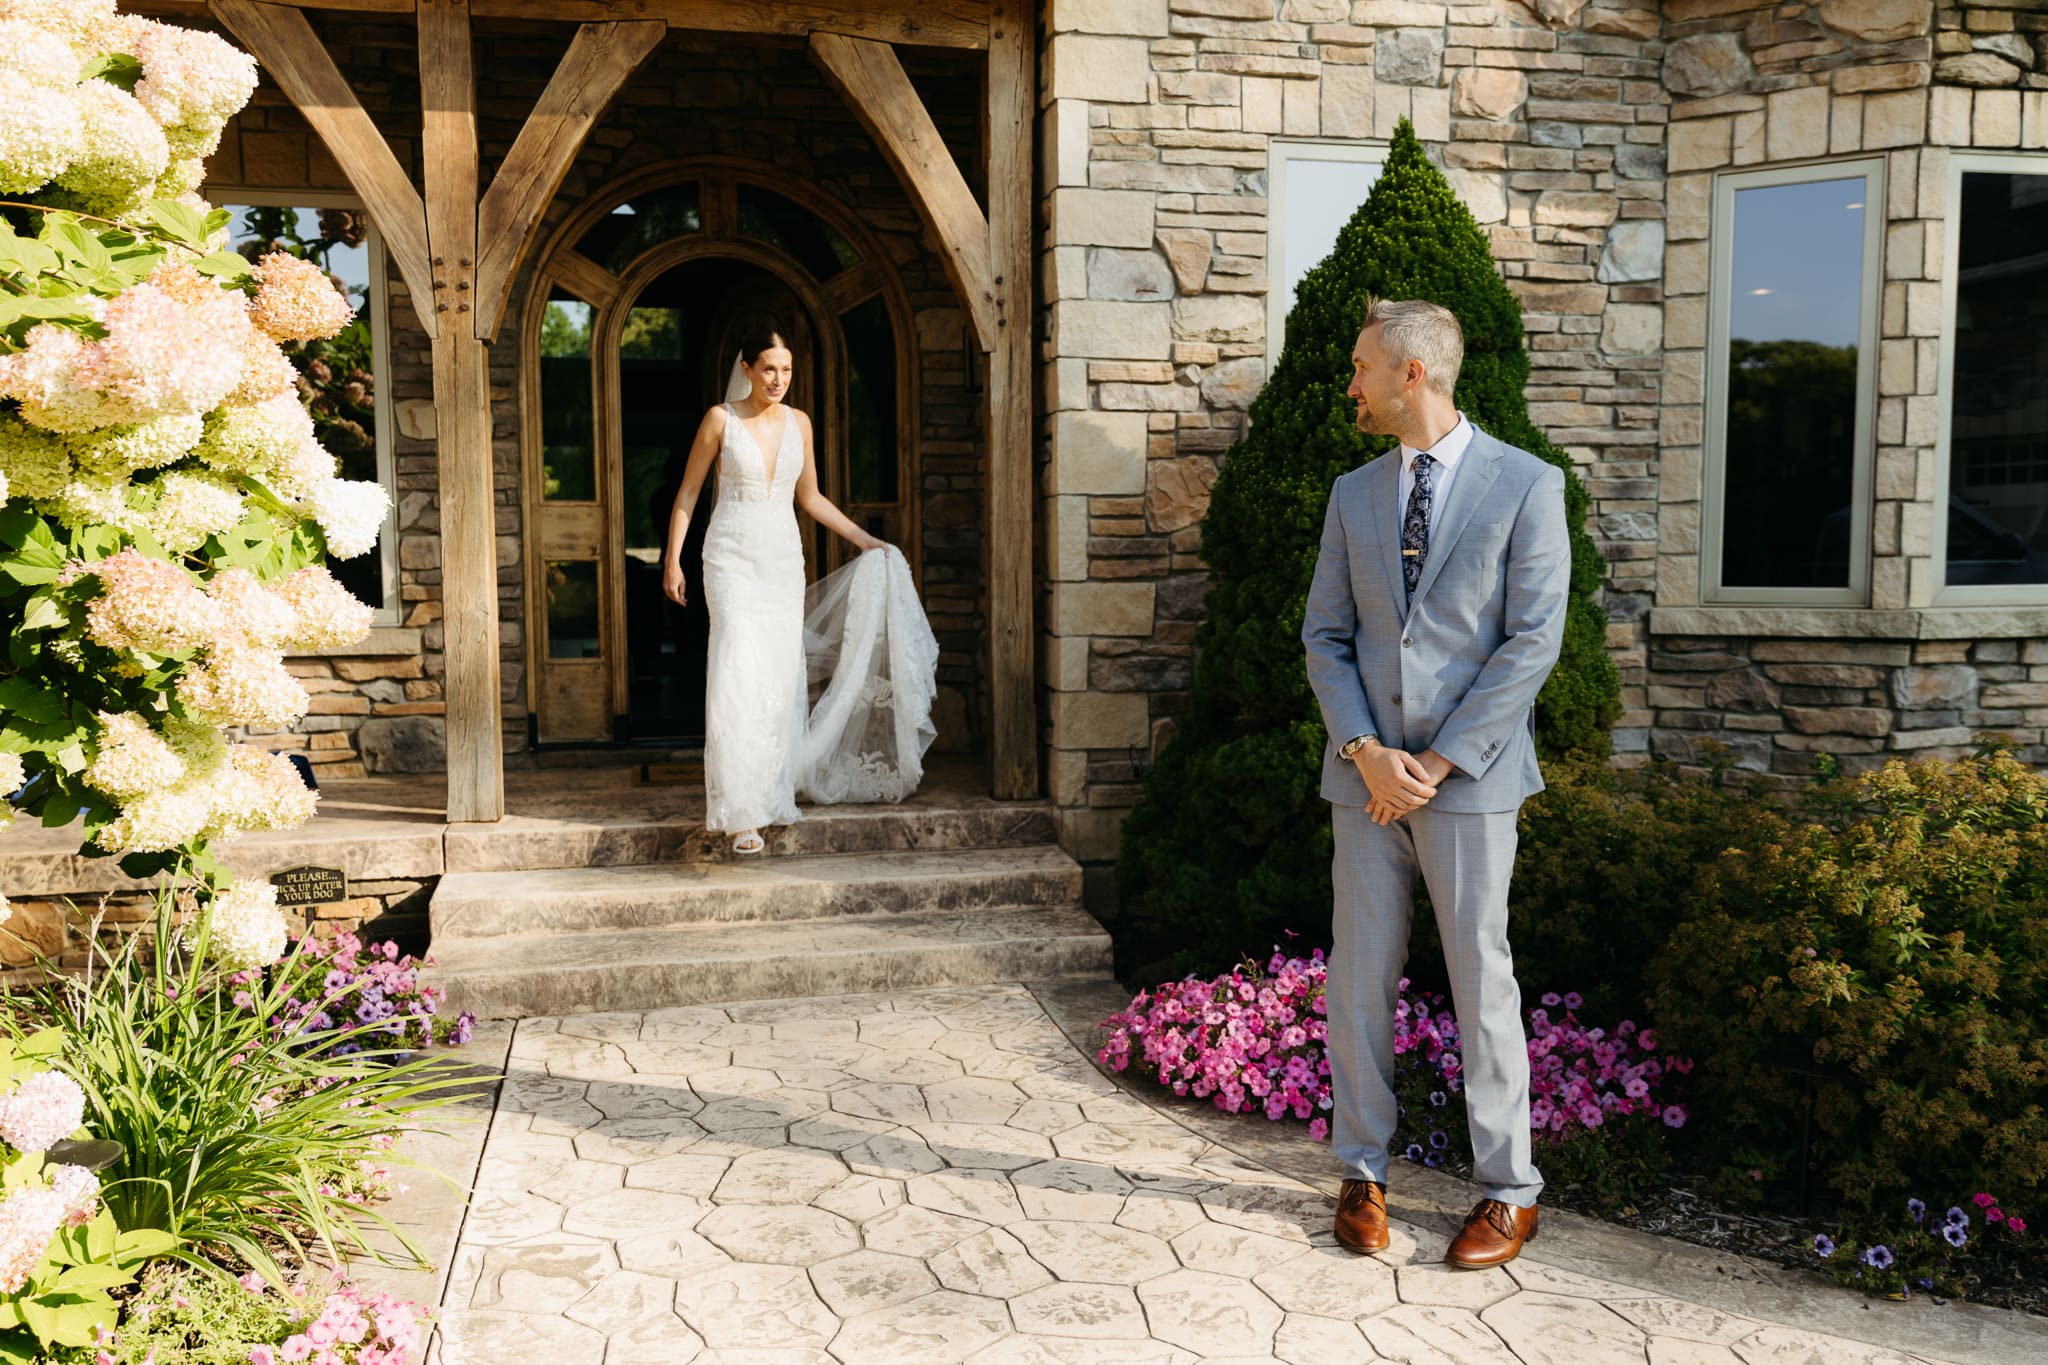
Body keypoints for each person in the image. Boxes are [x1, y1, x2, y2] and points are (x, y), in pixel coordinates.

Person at [1301, 297, 1571, 1270]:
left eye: (1360, 366)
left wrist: (1438, 761)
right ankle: (1361, 1172)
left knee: (1479, 981)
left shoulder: (1526, 485)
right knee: (1358, 985)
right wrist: (1365, 750)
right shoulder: (1350, 494)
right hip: (1365, 785)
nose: (1350, 384)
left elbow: (1532, 641)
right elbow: (1324, 638)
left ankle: (1508, 1191)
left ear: (1410, 373)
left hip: (1469, 782)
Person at [661, 328, 936, 855]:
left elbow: (810, 497)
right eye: (769, 369)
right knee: (737, 668)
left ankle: (774, 790)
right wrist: (672, 559)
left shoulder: (800, 424)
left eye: (786, 370)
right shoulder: (721, 420)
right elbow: (689, 491)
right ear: (747, 368)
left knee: (778, 675)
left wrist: (866, 540)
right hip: (731, 558)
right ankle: (741, 813)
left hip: (782, 561)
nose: (779, 380)